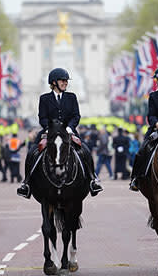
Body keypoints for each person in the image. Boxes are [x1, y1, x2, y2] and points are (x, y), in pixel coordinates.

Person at [17, 67, 103, 198]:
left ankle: (92, 179)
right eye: (62, 80)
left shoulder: (71, 97)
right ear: (53, 82)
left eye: (66, 81)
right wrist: (48, 129)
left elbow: (76, 116)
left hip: (68, 131)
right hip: (49, 132)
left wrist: (69, 128)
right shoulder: (44, 98)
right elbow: (42, 117)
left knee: (85, 150)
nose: (65, 83)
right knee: (32, 152)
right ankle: (27, 183)